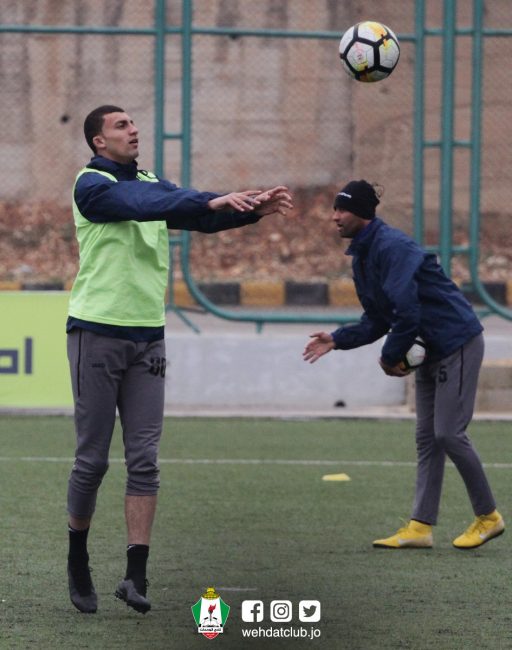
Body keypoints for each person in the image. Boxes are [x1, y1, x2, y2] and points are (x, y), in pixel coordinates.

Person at [66, 105, 293, 614]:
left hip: (149, 336)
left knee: (144, 459)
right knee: (93, 460)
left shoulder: (150, 181)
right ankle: (78, 557)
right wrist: (206, 198)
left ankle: (135, 575)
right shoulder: (92, 185)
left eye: (132, 123)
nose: (133, 129)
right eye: (121, 125)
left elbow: (191, 214)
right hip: (96, 333)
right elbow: (144, 203)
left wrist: (250, 209)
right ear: (99, 141)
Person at [303, 179, 504, 551]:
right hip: (428, 348)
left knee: (449, 434)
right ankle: (420, 526)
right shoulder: (363, 256)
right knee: (427, 438)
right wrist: (337, 339)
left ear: (361, 213)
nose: (334, 217)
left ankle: (488, 517)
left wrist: (388, 356)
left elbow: (406, 312)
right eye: (334, 209)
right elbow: (378, 319)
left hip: (456, 341)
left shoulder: (393, 247)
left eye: (341, 209)